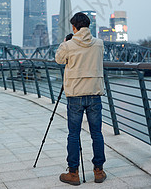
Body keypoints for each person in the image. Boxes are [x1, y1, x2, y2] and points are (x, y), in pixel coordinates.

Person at [55, 12, 106, 186]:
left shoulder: (68, 45)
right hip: (94, 94)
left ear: (74, 27)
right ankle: (99, 171)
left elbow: (59, 60)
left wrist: (65, 43)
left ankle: (73, 173)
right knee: (97, 134)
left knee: (73, 135)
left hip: (75, 95)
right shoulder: (99, 44)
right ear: (88, 26)